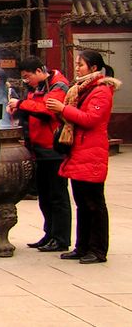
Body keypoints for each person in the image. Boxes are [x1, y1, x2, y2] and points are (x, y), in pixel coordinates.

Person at [45, 51, 119, 264]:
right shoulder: (81, 89)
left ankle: (97, 250)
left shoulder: (101, 90)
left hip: (91, 152)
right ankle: (82, 246)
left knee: (94, 204)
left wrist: (63, 109)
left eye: (81, 65)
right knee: (82, 204)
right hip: (79, 152)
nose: (77, 68)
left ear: (94, 68)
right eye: (77, 65)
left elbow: (91, 119)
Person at [8, 56, 71, 252]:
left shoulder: (58, 85)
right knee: (44, 195)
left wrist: (20, 104)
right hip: (38, 148)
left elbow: (47, 111)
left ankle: (61, 238)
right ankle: (49, 233)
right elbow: (30, 109)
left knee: (57, 195)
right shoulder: (37, 87)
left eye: (28, 77)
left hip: (54, 148)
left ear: (38, 71)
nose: (27, 81)